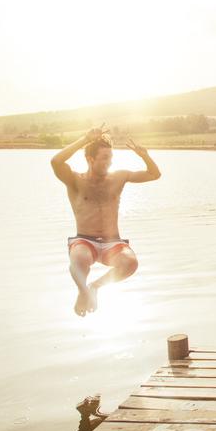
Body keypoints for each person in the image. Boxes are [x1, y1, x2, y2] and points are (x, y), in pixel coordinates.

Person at [50, 126, 162, 316]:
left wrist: (145, 156)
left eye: (110, 158)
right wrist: (85, 139)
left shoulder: (118, 177)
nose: (109, 163)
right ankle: (83, 291)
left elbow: (154, 174)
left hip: (113, 242)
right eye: (104, 159)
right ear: (90, 159)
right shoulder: (75, 180)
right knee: (79, 258)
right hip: (85, 240)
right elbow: (55, 161)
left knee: (130, 263)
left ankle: (94, 287)